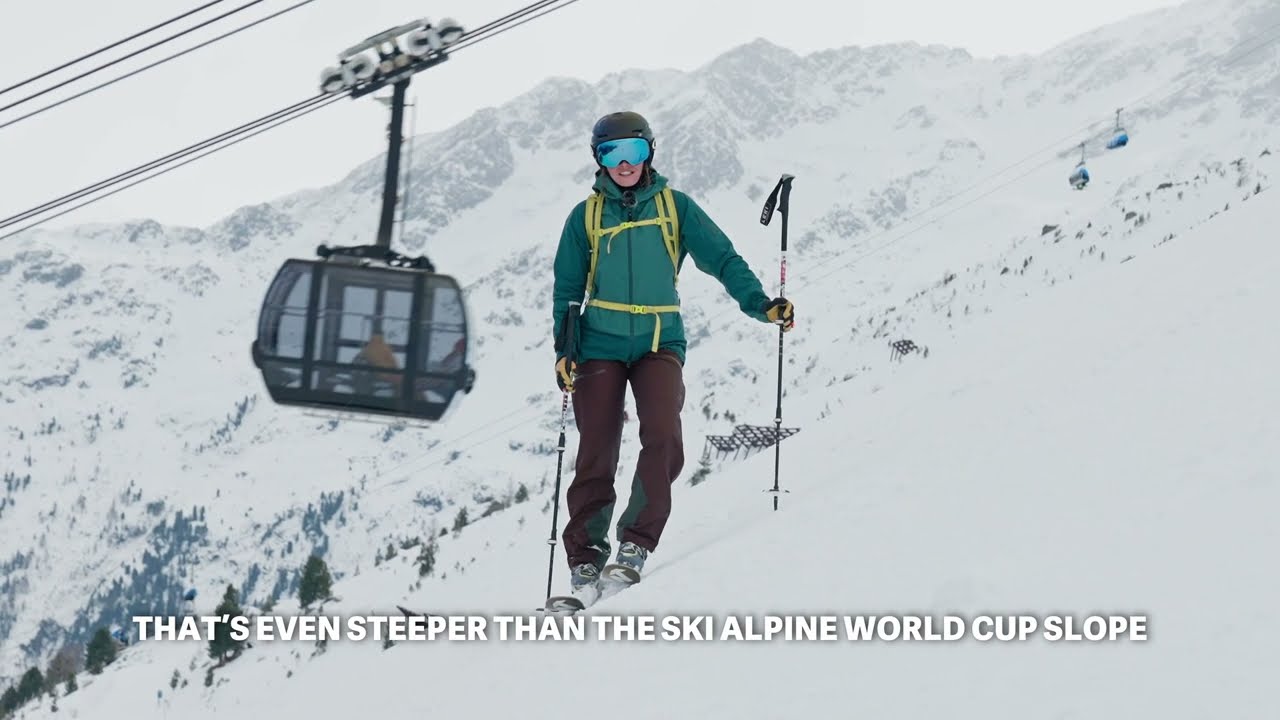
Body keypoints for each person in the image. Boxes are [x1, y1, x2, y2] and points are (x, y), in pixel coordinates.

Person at [551, 111, 795, 602]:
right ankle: (584, 557)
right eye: (612, 154)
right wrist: (565, 349)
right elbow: (567, 291)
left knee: (663, 435)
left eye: (635, 152)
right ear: (598, 160)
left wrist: (763, 304)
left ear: (650, 154)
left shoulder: (675, 208)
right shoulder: (585, 218)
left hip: (660, 341)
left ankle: (635, 544)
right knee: (597, 446)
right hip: (599, 342)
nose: (625, 164)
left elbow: (722, 259)